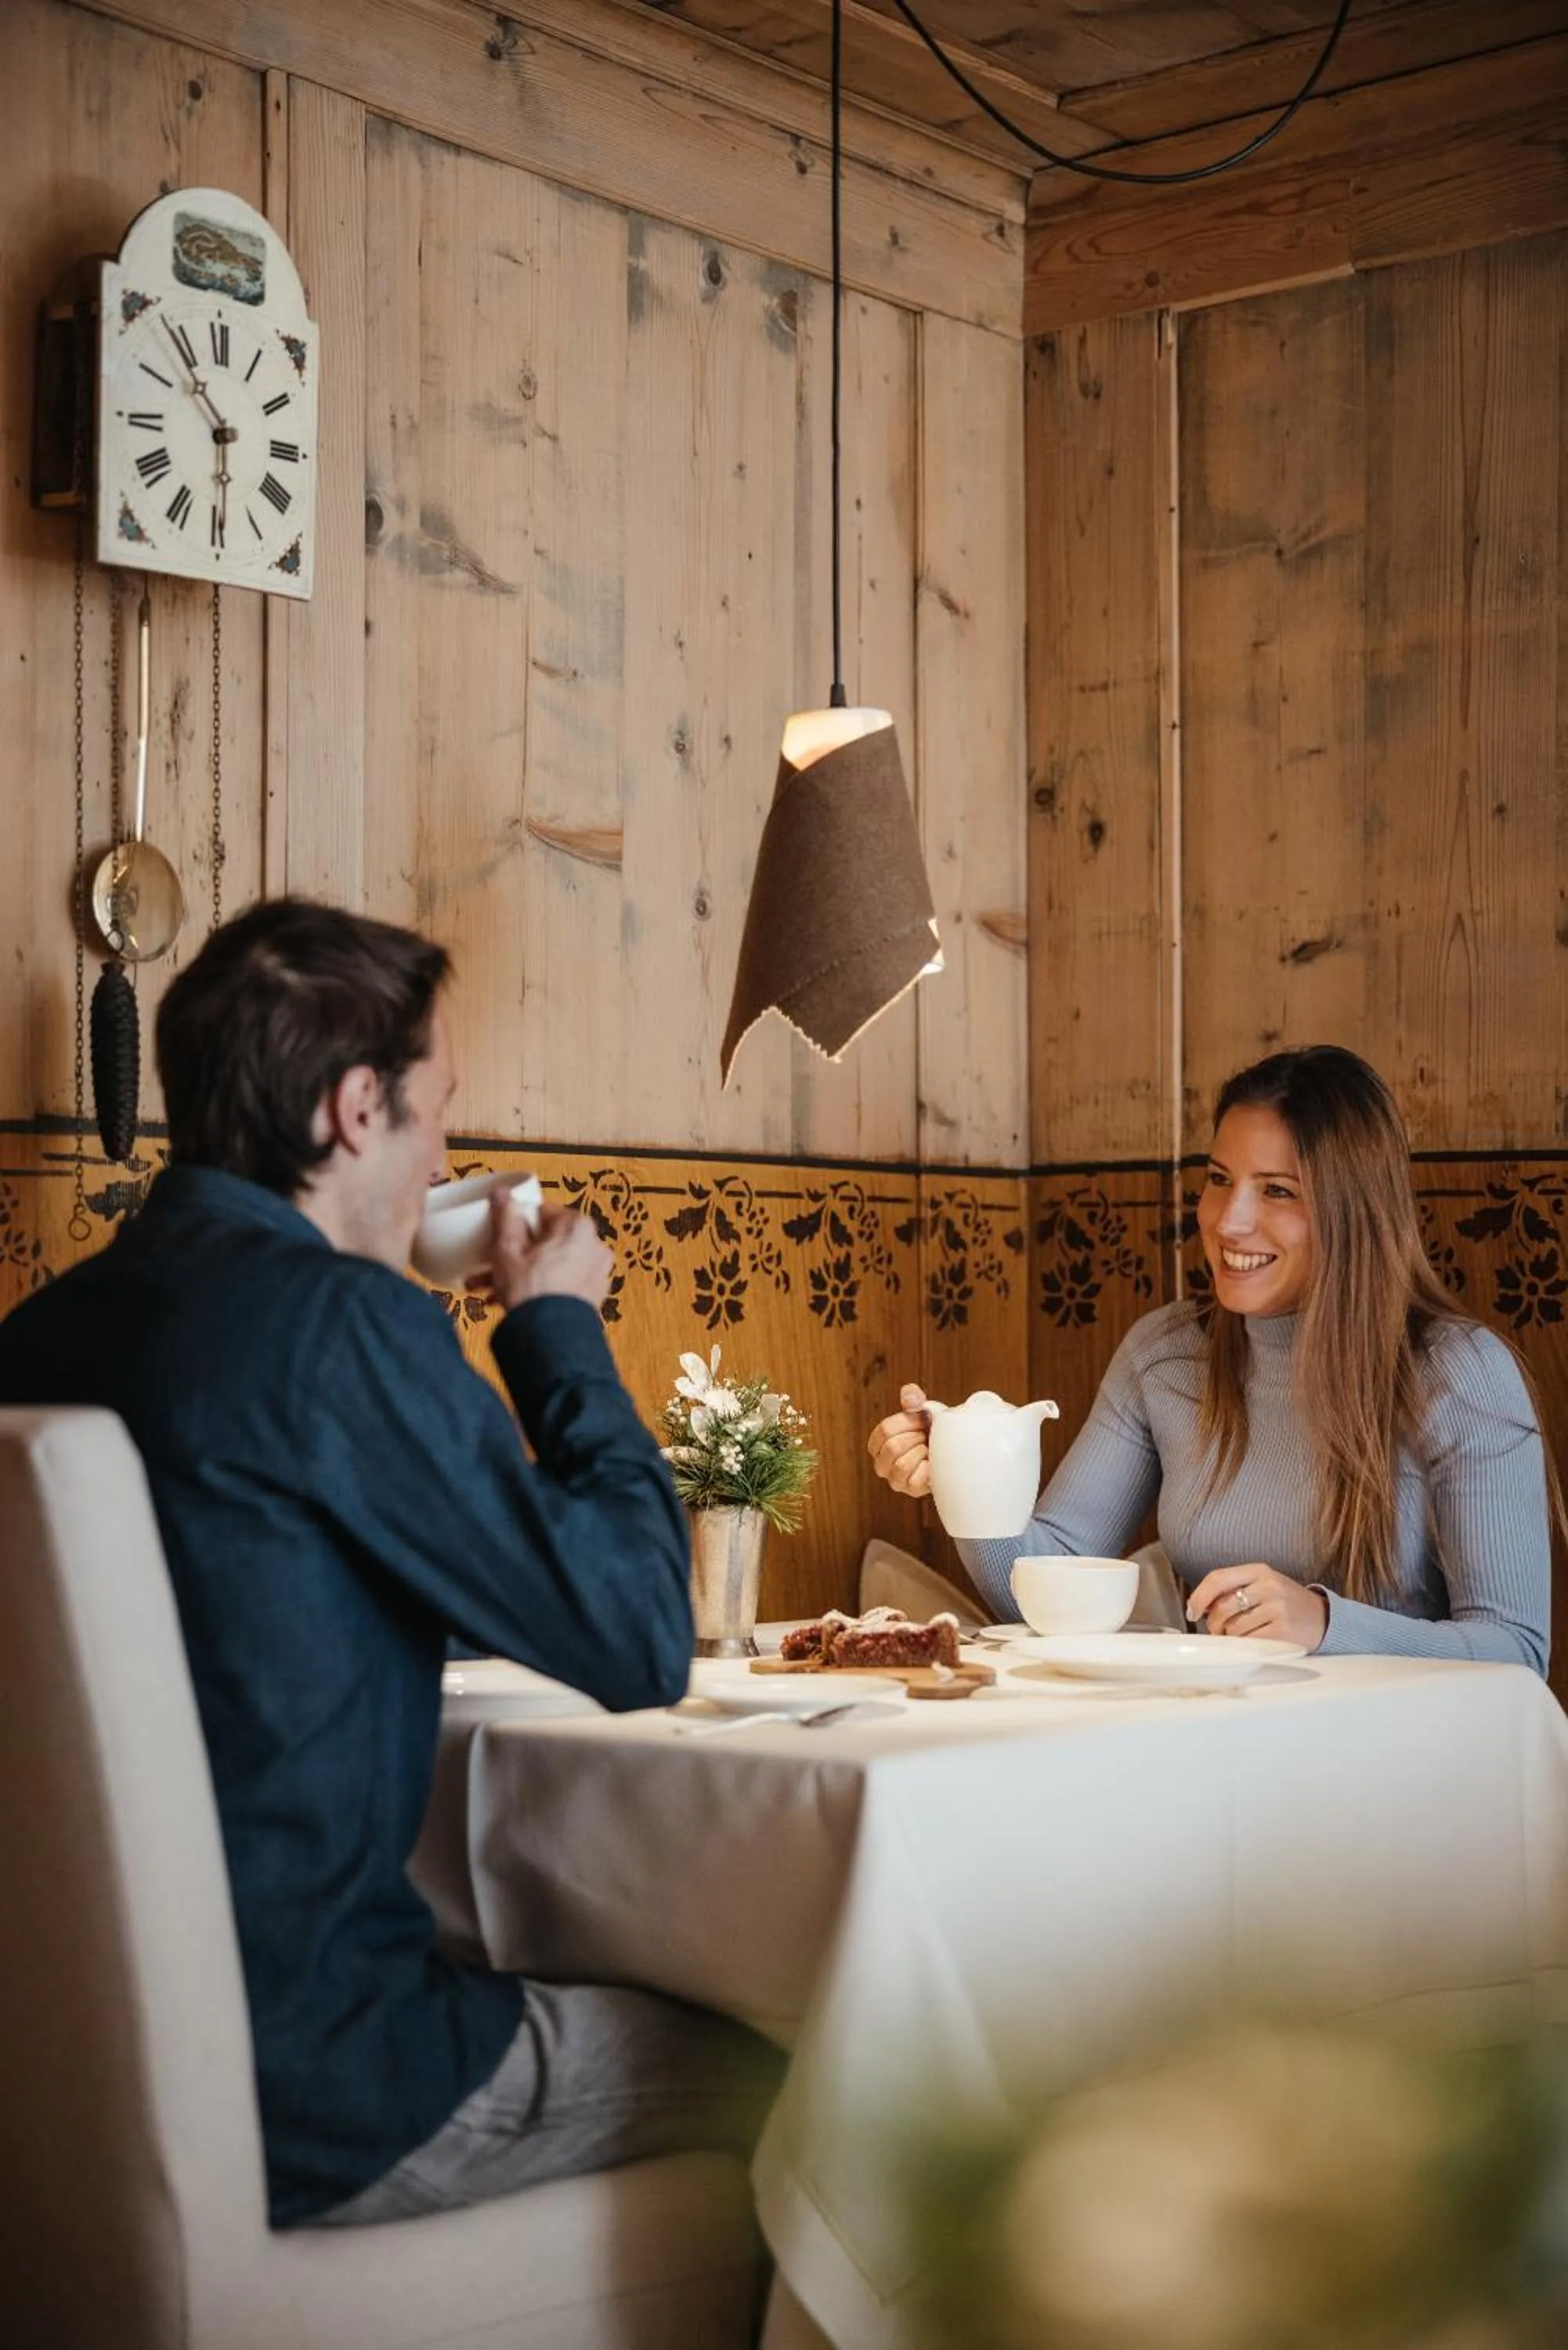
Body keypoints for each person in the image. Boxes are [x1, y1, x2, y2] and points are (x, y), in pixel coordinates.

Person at [0, 898, 779, 2229]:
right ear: (357, 1109)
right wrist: (555, 1332)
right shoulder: (338, 1326)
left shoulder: (43, 1332)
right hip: (325, 2074)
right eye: (437, 1114)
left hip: (61, 2074)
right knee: (832, 2059)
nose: (442, 1164)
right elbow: (643, 1635)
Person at [869, 1046, 1556, 1673]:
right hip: (1215, 1734)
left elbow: (1516, 1648)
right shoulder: (1165, 1353)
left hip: (1393, 1750)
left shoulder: (1460, 1372)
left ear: (1354, 1212)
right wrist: (966, 1476)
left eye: (1277, 1190)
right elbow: (1043, 1591)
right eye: (1220, 1179)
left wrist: (1324, 1623)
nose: (1228, 1221)